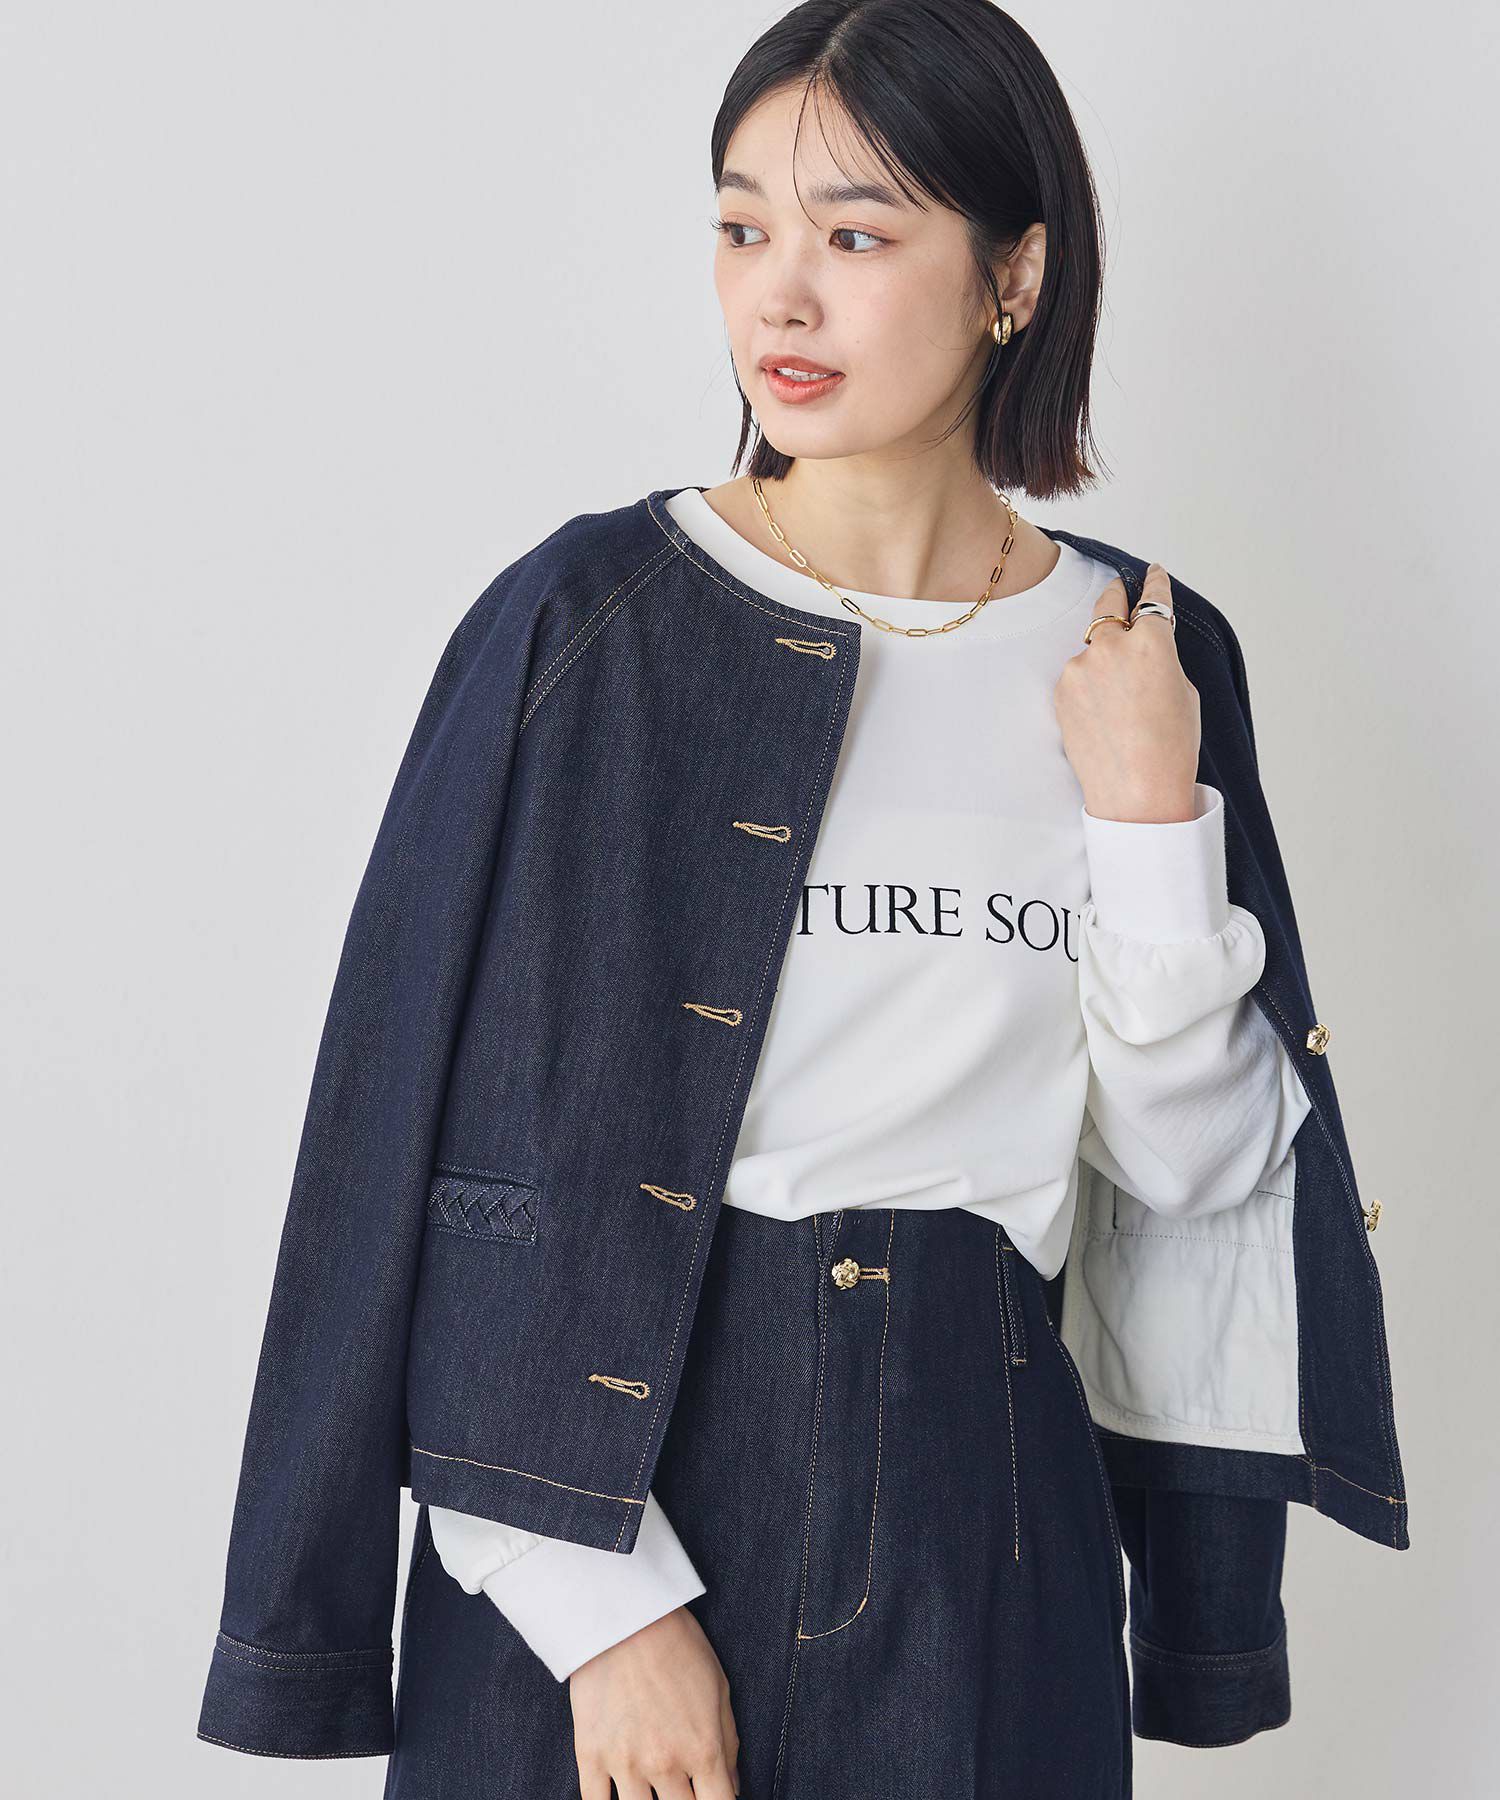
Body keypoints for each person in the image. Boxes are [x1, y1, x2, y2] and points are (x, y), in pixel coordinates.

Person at [197, 4, 1407, 1796]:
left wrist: (1154, 817)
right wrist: (598, 1612)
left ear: (1014, 277)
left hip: (987, 1529)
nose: (780, 296)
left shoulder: (1148, 652)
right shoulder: (588, 624)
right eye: (742, 226)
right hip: (594, 1526)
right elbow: (410, 1146)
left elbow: (1194, 1177)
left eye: (854, 234)